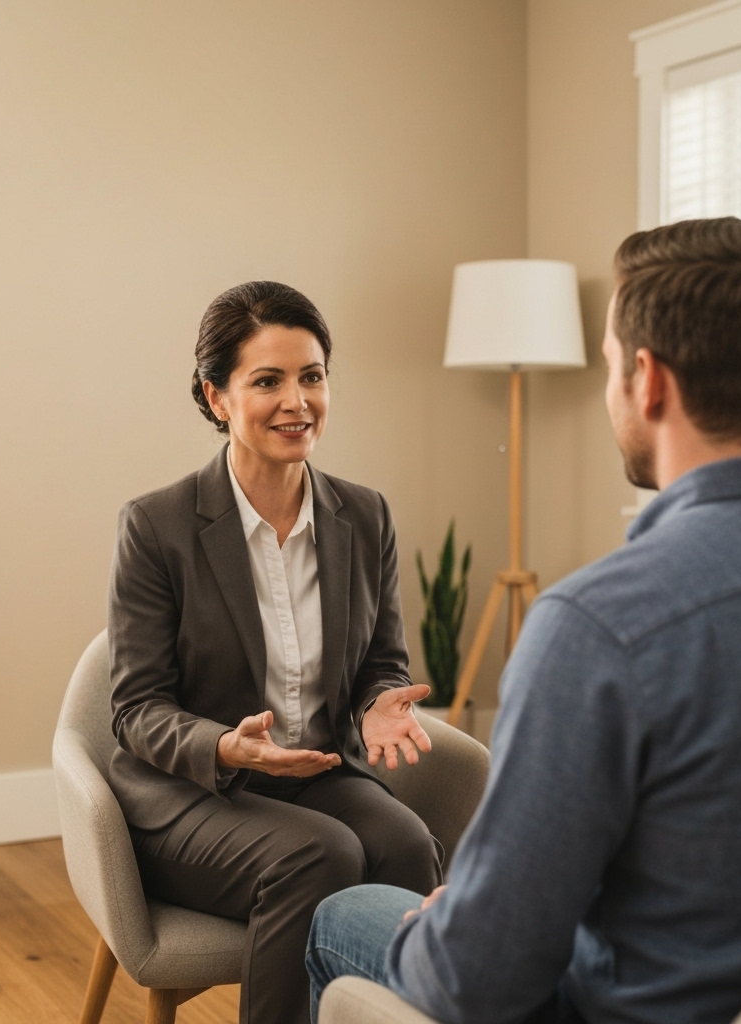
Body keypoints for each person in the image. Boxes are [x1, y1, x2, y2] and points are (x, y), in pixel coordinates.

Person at [306, 217, 741, 1024]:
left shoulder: (597, 628)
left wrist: (453, 923)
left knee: (344, 919)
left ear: (648, 378)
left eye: (605, 368)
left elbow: (474, 981)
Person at [107, 281, 442, 1024]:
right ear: (216, 396)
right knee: (318, 855)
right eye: (268, 381)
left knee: (409, 847)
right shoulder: (156, 527)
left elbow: (382, 660)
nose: (298, 401)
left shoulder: (365, 515)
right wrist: (229, 747)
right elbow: (135, 711)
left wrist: (380, 702)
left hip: (316, 774)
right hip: (192, 794)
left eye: (312, 377)